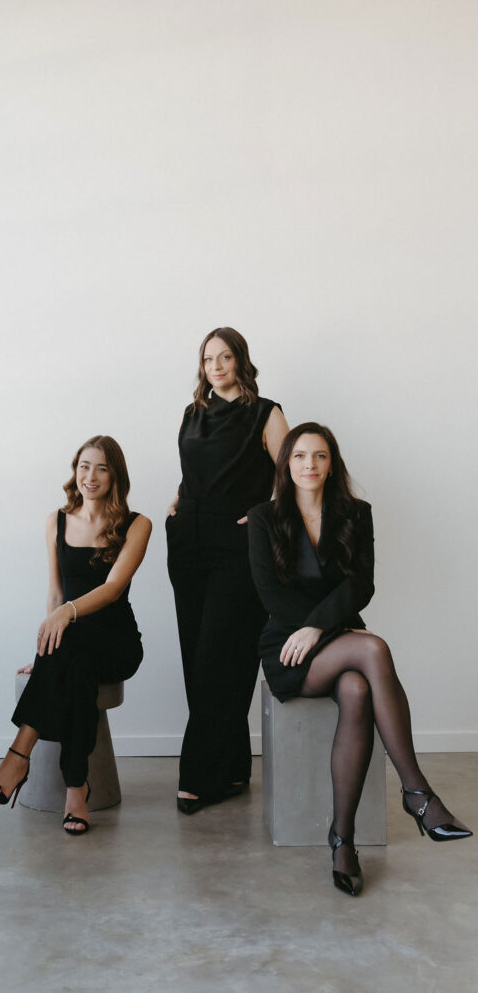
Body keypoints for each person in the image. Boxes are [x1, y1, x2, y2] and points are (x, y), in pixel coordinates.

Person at [248, 422, 472, 896]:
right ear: (286, 465)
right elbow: (270, 595)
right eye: (300, 456)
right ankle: (418, 793)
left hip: (332, 636)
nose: (310, 465)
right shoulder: (264, 518)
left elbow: (360, 584)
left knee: (357, 688)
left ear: (332, 464)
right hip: (288, 648)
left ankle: (343, 840)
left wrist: (320, 626)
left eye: (320, 456)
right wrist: (309, 629)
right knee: (373, 647)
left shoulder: (356, 513)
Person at [0, 436, 151, 834]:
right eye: (84, 466)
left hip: (117, 641)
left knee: (73, 647)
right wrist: (43, 653)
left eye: (102, 468)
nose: (90, 476)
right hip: (74, 647)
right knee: (73, 664)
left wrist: (65, 616)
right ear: (75, 470)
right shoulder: (55, 521)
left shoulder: (137, 524)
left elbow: (113, 589)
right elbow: (55, 593)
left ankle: (18, 756)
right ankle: (76, 788)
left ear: (115, 475)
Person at [166, 326, 289, 813]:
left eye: (224, 357)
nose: (215, 366)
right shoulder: (192, 413)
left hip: (238, 547)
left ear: (241, 361)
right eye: (208, 359)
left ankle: (200, 775)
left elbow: (292, 476)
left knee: (223, 656)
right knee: (198, 662)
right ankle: (234, 766)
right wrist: (177, 503)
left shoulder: (265, 411)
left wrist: (264, 516)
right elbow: (191, 471)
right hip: (189, 544)